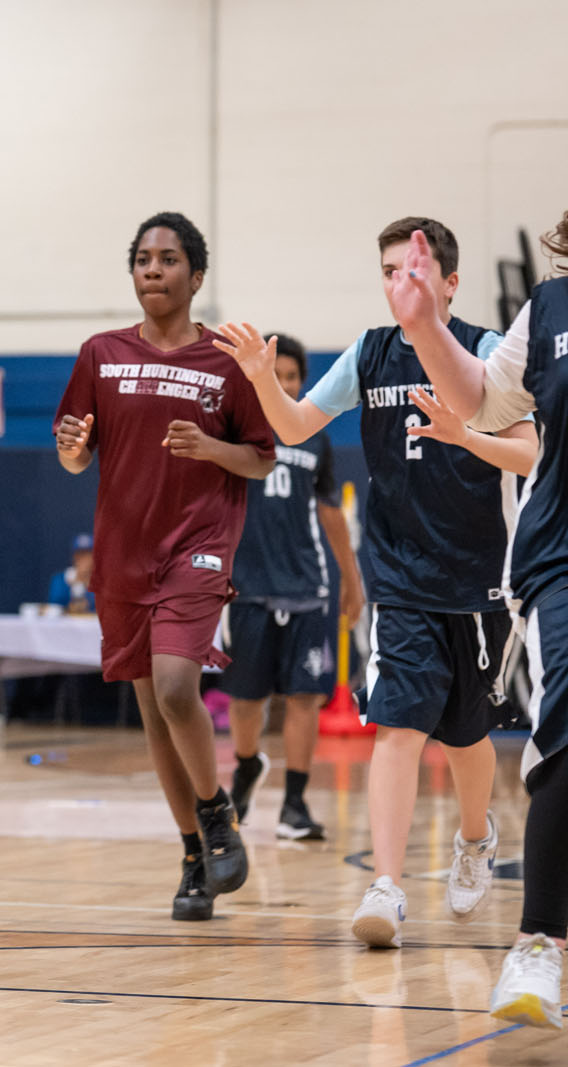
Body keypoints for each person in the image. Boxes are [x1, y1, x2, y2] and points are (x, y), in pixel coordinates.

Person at [214, 216, 536, 950]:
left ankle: (475, 837)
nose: (400, 283)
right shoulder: (369, 353)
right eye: (390, 271)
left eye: (413, 270)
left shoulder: (489, 350)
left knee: (467, 736)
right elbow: (295, 426)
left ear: (449, 283)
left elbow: (529, 455)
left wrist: (465, 435)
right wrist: (262, 379)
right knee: (398, 726)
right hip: (400, 574)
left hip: (480, 577)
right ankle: (386, 885)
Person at [55, 211, 274, 923]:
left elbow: (261, 458)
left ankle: (216, 813)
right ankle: (192, 855)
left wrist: (211, 448)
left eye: (169, 258)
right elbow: (75, 454)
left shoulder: (225, 362)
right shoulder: (100, 353)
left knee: (179, 688)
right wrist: (71, 449)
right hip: (124, 553)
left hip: (197, 546)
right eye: (143, 258)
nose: (153, 268)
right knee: (154, 713)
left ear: (196, 276)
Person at [388, 216, 568, 1028]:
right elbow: (484, 400)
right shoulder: (550, 307)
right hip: (561, 553)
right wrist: (427, 325)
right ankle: (538, 942)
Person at [220, 334, 366, 842]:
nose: (283, 384)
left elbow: (330, 512)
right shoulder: (236, 430)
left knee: (305, 697)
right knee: (246, 699)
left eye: (291, 377)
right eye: (275, 374)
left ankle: (295, 805)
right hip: (247, 587)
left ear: (302, 382)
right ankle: (246, 766)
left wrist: (352, 578)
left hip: (307, 585)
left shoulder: (314, 436)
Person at [46, 533, 97, 614]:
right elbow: (54, 605)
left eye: (88, 555)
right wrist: (73, 585)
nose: (83, 559)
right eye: (80, 554)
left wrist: (86, 585)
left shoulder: (103, 582)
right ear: (74, 557)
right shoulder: (61, 579)